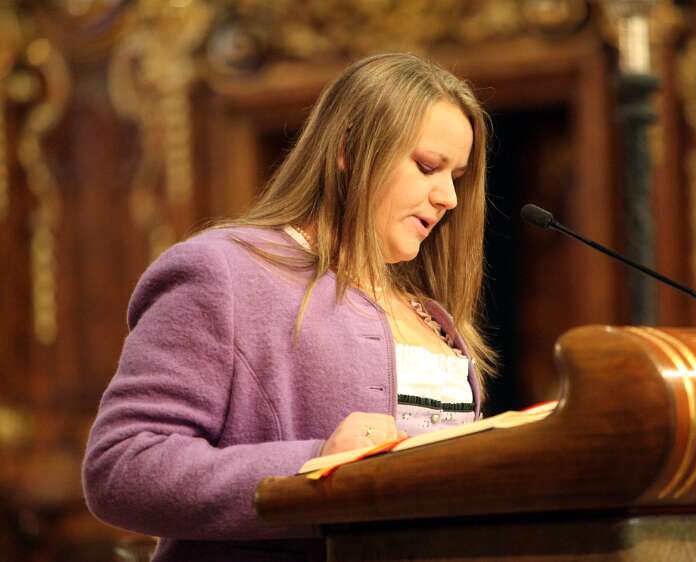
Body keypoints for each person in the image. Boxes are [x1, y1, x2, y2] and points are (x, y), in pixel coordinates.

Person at [82, 52, 496, 562]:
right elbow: (122, 467)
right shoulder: (223, 271)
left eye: (457, 175)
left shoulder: (433, 317)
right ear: (347, 150)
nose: (449, 197)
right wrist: (315, 462)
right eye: (429, 166)